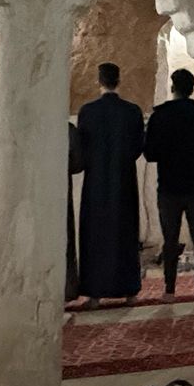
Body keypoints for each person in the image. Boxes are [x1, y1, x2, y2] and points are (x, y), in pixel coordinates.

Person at [77, 62, 145, 303]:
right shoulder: (132, 111)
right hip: (123, 181)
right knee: (124, 233)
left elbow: (82, 149)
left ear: (99, 81)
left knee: (95, 235)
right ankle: (128, 291)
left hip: (95, 183)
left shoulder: (87, 112)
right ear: (119, 80)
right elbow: (138, 148)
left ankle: (95, 293)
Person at [143, 68, 194, 295]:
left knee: (170, 239)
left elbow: (150, 154)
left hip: (169, 186)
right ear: (192, 89)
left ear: (172, 88)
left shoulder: (160, 116)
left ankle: (170, 289)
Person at [64, 122, 82, 303]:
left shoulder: (29, 128)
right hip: (61, 188)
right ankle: (67, 288)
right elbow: (78, 163)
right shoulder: (67, 129)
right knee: (65, 239)